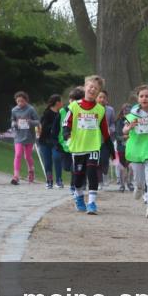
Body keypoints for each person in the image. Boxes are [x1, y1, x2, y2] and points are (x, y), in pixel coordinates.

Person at [62, 75, 110, 215]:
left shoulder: (100, 110)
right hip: (78, 146)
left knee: (92, 172)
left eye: (96, 88)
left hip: (93, 146)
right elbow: (67, 122)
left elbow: (105, 129)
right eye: (90, 86)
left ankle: (92, 203)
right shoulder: (74, 106)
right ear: (85, 87)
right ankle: (79, 197)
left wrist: (110, 147)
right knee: (78, 176)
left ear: (99, 91)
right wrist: (66, 133)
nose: (93, 89)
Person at [123, 85, 148, 219]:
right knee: (139, 178)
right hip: (136, 149)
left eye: (147, 96)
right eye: (141, 96)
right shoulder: (132, 114)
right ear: (138, 99)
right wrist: (129, 128)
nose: (144, 98)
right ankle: (138, 187)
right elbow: (124, 130)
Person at [9, 91, 40, 185]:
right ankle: (16, 176)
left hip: (29, 136)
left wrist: (30, 122)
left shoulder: (31, 109)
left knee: (27, 156)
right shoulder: (14, 110)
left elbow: (37, 121)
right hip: (18, 136)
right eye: (18, 101)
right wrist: (14, 124)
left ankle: (31, 171)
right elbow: (12, 120)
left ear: (26, 101)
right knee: (18, 154)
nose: (20, 103)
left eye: (22, 101)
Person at [37, 94, 64, 189]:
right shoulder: (47, 113)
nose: (62, 103)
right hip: (45, 141)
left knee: (57, 158)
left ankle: (59, 179)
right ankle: (49, 180)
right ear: (57, 102)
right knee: (48, 162)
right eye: (61, 101)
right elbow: (43, 127)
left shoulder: (61, 113)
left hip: (56, 141)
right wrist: (54, 126)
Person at [60, 87, 83, 193]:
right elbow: (59, 127)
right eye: (71, 100)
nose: (72, 102)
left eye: (75, 100)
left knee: (76, 165)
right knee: (67, 167)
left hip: (80, 143)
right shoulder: (64, 111)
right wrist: (63, 136)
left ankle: (74, 185)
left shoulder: (85, 111)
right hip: (66, 142)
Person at [96, 90, 116, 184]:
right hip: (94, 139)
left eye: (104, 97)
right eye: (100, 97)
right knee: (97, 160)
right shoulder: (92, 109)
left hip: (106, 139)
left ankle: (105, 174)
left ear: (106, 99)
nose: (102, 99)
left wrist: (110, 129)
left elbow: (113, 123)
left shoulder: (110, 110)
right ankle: (99, 180)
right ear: (96, 98)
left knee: (104, 159)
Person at [115, 100, 133, 192]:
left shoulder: (134, 120)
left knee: (130, 166)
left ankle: (130, 183)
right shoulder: (119, 121)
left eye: (129, 110)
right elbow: (117, 135)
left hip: (132, 146)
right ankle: (122, 185)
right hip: (121, 147)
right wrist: (124, 137)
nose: (127, 112)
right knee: (122, 167)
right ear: (122, 111)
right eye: (125, 110)